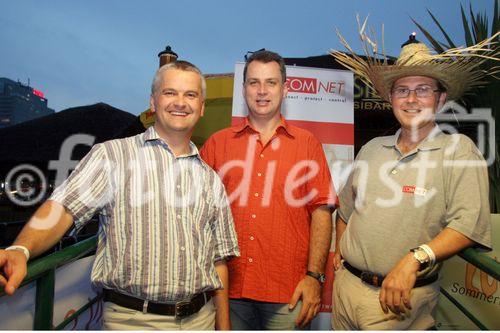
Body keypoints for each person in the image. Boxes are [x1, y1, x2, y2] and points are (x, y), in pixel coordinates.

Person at [0, 61, 240, 330]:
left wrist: (224, 326)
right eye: (170, 92)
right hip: (134, 321)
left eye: (191, 95)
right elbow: (64, 208)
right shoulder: (111, 156)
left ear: (202, 107)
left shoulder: (210, 179)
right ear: (153, 101)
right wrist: (21, 249)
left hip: (201, 320)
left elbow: (219, 261)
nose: (180, 102)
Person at [329, 26, 497, 330]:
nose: (411, 99)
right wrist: (341, 258)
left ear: (441, 99)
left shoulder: (458, 151)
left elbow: (467, 225)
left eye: (423, 90)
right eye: (402, 90)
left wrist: (414, 259)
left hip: (397, 304)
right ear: (391, 98)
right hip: (345, 291)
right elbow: (345, 210)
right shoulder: (371, 150)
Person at [200, 50, 336, 330]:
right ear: (244, 89)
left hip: (288, 292)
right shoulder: (217, 144)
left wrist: (314, 277)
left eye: (271, 82)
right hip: (228, 291)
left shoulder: (307, 144)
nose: (262, 91)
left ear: (285, 89)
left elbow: (321, 213)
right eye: (254, 82)